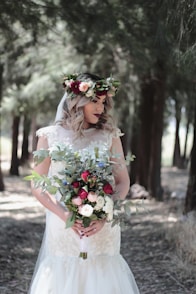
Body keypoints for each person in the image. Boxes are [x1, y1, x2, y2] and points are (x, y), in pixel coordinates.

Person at [28, 72, 140, 294]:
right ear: (77, 101)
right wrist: (65, 215)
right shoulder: (49, 136)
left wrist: (105, 215)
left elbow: (122, 182)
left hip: (102, 228)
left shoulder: (110, 135)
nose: (101, 107)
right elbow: (38, 184)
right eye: (94, 101)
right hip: (63, 224)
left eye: (103, 102)